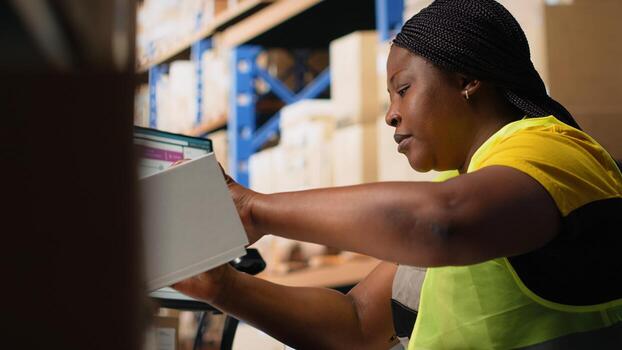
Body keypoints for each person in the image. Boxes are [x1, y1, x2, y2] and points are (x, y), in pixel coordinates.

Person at [173, 0, 622, 348]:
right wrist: (223, 288)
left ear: (468, 79)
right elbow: (356, 325)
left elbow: (440, 221)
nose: (391, 115)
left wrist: (257, 210)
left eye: (403, 90)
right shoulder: (462, 189)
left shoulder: (551, 148)